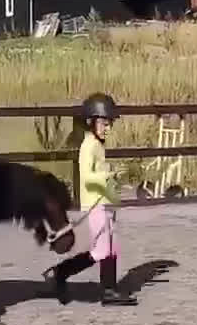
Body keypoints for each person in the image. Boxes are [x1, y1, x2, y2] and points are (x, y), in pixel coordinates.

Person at [42, 92, 138, 307]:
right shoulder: (89, 146)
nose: (108, 127)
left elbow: (100, 174)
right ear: (91, 122)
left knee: (111, 249)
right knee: (101, 250)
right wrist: (108, 176)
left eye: (109, 123)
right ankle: (72, 276)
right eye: (105, 123)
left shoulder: (97, 144)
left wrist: (113, 181)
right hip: (95, 204)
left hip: (105, 202)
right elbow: (86, 177)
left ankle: (107, 288)